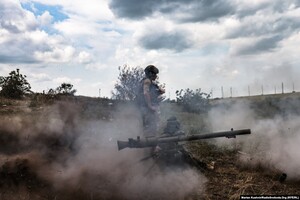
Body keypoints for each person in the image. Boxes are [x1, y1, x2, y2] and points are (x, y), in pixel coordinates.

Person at [137, 65, 165, 138]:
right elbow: (146, 93)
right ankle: (150, 147)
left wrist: (158, 91)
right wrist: (150, 106)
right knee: (150, 128)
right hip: (147, 108)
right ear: (150, 74)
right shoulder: (147, 81)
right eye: (155, 74)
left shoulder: (149, 82)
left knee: (150, 127)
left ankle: (152, 146)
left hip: (145, 108)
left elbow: (161, 91)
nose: (156, 76)